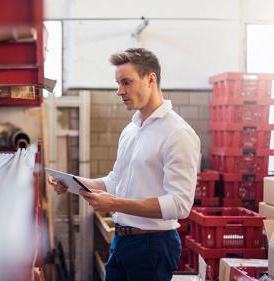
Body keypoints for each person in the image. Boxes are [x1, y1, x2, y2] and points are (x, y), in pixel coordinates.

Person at [49, 48, 200, 281]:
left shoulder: (177, 133)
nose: (120, 91)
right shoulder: (131, 129)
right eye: (118, 83)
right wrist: (72, 183)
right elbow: (115, 181)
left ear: (151, 79)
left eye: (126, 82)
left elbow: (180, 204)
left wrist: (116, 203)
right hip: (121, 241)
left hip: (152, 246)